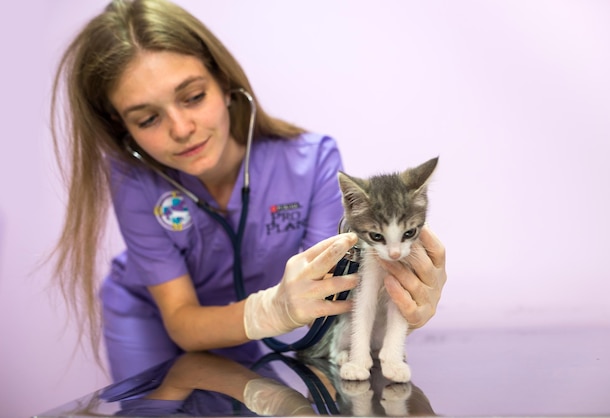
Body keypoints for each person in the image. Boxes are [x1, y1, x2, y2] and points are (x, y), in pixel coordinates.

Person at [50, 0, 447, 382]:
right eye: (148, 118)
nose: (181, 128)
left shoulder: (310, 163)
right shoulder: (133, 182)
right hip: (153, 321)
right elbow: (184, 322)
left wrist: (402, 305)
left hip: (273, 325)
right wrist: (269, 311)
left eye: (193, 97)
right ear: (123, 127)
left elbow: (328, 297)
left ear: (224, 84)